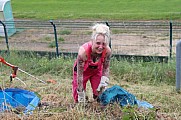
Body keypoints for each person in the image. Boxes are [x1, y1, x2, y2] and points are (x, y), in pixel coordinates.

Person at [72, 23, 112, 103]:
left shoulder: (107, 51)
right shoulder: (83, 52)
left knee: (99, 95)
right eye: (98, 43)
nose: (100, 47)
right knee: (78, 98)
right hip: (83, 72)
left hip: (96, 71)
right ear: (92, 41)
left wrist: (104, 82)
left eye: (103, 44)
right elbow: (80, 75)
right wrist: (80, 92)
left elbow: (106, 68)